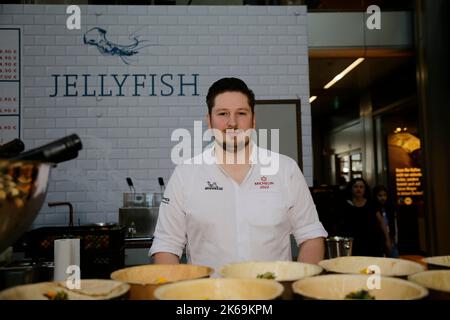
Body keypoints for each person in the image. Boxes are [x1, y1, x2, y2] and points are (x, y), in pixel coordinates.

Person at [149, 77, 328, 273]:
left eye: (241, 113)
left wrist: (299, 286)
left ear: (253, 120)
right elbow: (166, 245)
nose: (232, 122)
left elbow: (311, 235)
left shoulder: (286, 170)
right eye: (223, 113)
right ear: (209, 121)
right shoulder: (186, 174)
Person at [336, 178, 386, 257]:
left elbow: (381, 222)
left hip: (371, 243)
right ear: (351, 189)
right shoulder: (345, 205)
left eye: (361, 187)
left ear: (365, 189)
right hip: (353, 244)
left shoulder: (371, 203)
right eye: (355, 187)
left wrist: (387, 240)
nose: (358, 189)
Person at [373, 185, 399, 257]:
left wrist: (393, 237)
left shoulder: (389, 208)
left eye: (384, 195)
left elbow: (393, 224)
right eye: (380, 195)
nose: (383, 198)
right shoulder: (374, 208)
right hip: (379, 238)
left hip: (390, 236)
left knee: (393, 258)